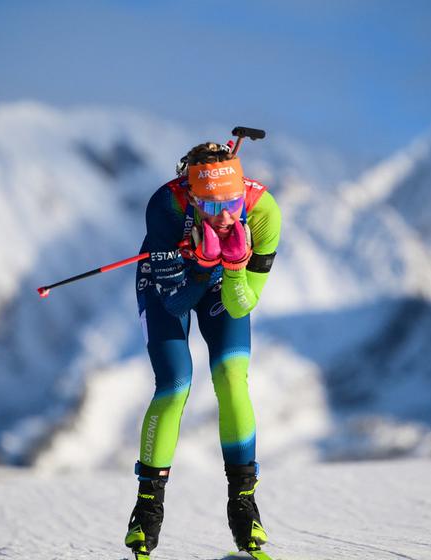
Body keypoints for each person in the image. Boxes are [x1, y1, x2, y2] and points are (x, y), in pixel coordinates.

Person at [125, 141, 281, 558]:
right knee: (175, 383)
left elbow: (242, 303)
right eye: (211, 207)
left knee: (232, 377)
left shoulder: (263, 212)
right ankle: (147, 510)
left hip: (221, 283)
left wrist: (231, 267)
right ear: (191, 196)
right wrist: (204, 265)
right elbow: (174, 301)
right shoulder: (166, 206)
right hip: (172, 284)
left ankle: (244, 504)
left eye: (231, 202)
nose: (226, 216)